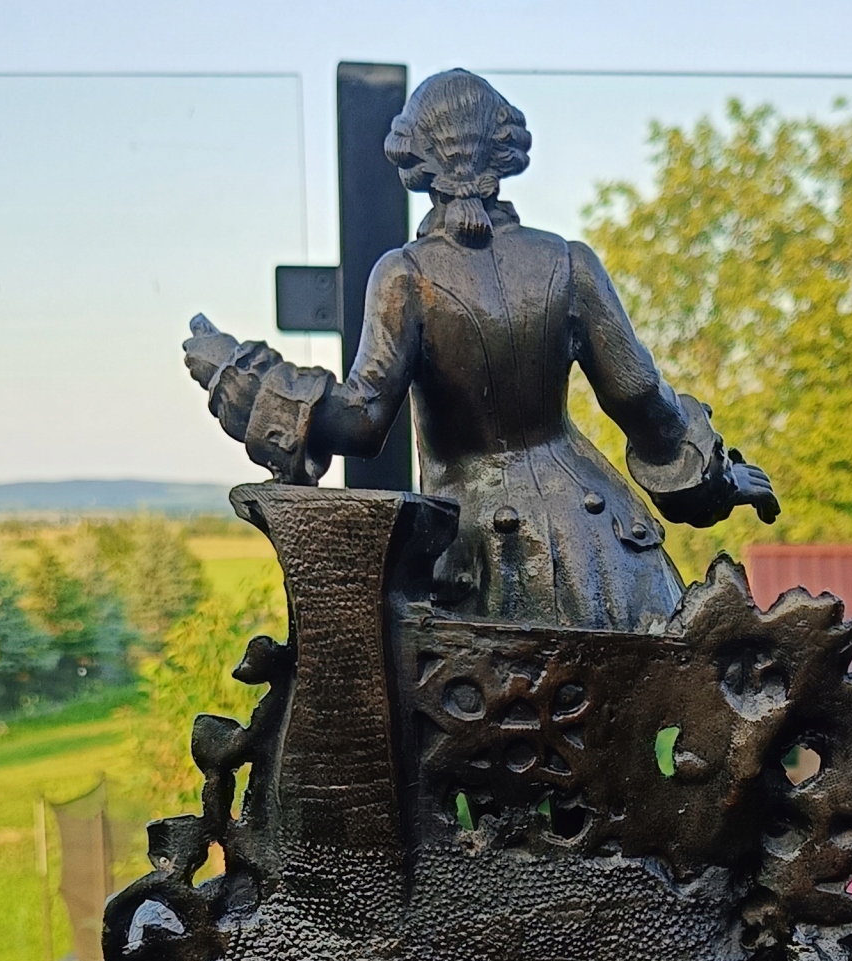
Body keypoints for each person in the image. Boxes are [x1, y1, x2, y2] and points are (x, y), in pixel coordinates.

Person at [185, 68, 778, 632]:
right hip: (600, 546)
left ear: (414, 160)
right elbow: (641, 398)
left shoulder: (405, 276)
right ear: (504, 149)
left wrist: (240, 377)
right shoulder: (567, 261)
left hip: (480, 557)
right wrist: (721, 479)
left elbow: (361, 417)